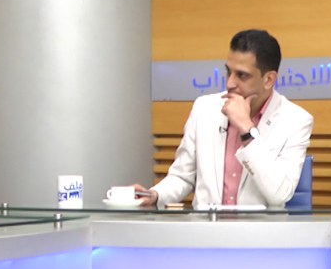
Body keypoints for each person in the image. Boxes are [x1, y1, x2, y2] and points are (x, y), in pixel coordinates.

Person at [132, 29, 313, 209]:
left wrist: (246, 129)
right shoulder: (204, 108)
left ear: (268, 79)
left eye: (242, 75)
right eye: (228, 72)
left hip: (258, 227)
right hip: (207, 225)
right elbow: (182, 177)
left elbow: (279, 194)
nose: (230, 83)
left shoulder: (296, 120)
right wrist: (154, 195)